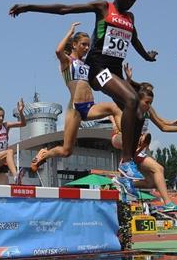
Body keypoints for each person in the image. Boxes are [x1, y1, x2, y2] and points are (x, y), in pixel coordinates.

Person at [10, 0, 158, 181]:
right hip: (99, 69)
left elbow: (135, 40)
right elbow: (65, 9)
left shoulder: (130, 18)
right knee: (131, 100)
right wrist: (29, 6)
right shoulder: (103, 7)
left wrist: (147, 56)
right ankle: (125, 161)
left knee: (140, 110)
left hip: (115, 71)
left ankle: (129, 163)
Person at [29, 22, 122, 173]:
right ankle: (44, 154)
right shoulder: (67, 61)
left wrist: (125, 81)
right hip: (75, 109)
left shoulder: (88, 65)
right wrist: (70, 31)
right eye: (83, 45)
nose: (86, 48)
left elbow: (106, 78)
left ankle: (121, 137)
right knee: (67, 151)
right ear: (74, 44)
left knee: (114, 108)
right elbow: (58, 50)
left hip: (90, 106)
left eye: (88, 45)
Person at [111, 65, 177, 205]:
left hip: (139, 147)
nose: (149, 105)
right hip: (123, 139)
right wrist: (128, 80)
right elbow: (119, 106)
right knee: (159, 169)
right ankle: (168, 203)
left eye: (151, 102)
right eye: (147, 102)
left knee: (152, 182)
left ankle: (124, 182)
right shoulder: (129, 105)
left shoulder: (148, 110)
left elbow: (162, 125)